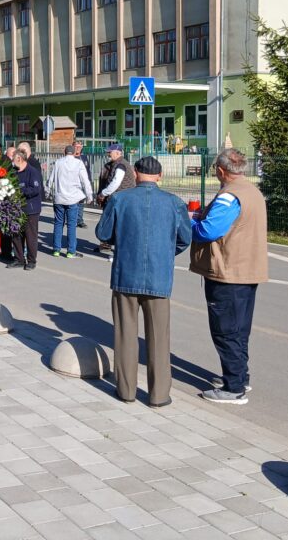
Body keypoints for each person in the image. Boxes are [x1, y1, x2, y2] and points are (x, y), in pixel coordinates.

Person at [96, 156, 191, 407]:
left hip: (125, 274)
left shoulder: (119, 199)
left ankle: (126, 391)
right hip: (159, 276)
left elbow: (102, 233)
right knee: (159, 338)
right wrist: (165, 252)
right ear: (160, 176)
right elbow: (185, 238)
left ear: (136, 174)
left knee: (125, 335)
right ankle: (159, 395)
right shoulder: (174, 203)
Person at [190, 148, 268, 405]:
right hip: (248, 269)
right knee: (240, 330)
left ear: (222, 171)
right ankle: (240, 377)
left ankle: (233, 388)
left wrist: (189, 223)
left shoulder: (228, 196)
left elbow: (209, 231)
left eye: (215, 169)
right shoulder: (253, 191)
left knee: (225, 331)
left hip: (227, 272)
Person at [46, 144, 94, 257]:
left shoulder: (58, 163)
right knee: (71, 225)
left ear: (64, 152)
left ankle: (56, 249)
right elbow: (85, 181)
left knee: (58, 224)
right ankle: (70, 251)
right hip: (73, 199)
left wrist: (47, 192)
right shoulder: (79, 163)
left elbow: (50, 179)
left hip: (59, 198)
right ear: (74, 153)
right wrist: (89, 196)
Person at [97, 143, 136, 254]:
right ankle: (110, 245)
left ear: (118, 153)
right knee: (116, 224)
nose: (108, 154)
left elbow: (115, 182)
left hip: (120, 199)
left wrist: (103, 193)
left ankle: (118, 249)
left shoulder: (121, 165)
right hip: (121, 199)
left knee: (116, 224)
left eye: (110, 152)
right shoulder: (118, 163)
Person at [8, 149, 42, 271]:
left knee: (30, 236)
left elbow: (35, 189)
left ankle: (31, 261)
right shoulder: (14, 172)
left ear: (19, 159)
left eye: (13, 158)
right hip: (16, 209)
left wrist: (19, 192)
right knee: (16, 235)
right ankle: (19, 259)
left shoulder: (32, 172)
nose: (12, 161)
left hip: (30, 209)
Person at [73, 140, 92, 229]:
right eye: (76, 146)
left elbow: (88, 170)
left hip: (83, 183)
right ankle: (72, 219)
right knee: (73, 203)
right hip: (73, 184)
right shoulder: (70, 158)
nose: (78, 148)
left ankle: (79, 220)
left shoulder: (84, 157)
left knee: (81, 202)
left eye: (80, 147)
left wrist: (89, 181)